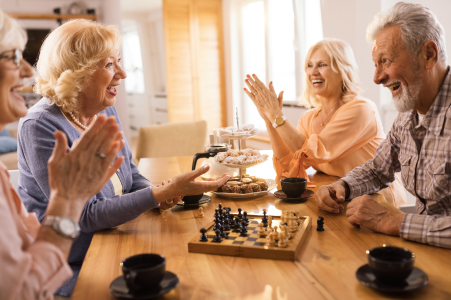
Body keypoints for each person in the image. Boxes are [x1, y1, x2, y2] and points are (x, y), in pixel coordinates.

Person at [17, 19, 229, 297]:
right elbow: (84, 216)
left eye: (119, 61)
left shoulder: (102, 109)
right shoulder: (40, 126)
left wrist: (158, 195)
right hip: (75, 258)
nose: (122, 73)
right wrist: (155, 194)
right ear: (76, 73)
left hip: (116, 234)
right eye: (108, 65)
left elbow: (131, 173)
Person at [0, 11, 126, 299]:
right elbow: (25, 289)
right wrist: (67, 200)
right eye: (12, 56)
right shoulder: (39, 124)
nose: (28, 71)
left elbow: (31, 253)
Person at [316, 2, 451, 249]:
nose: (377, 78)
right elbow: (379, 169)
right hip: (421, 253)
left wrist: (396, 221)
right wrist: (342, 185)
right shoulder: (408, 113)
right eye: (375, 64)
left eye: (386, 61)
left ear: (428, 55)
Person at [244, 38, 405, 207]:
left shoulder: (361, 109)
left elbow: (314, 152)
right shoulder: (309, 118)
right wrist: (270, 120)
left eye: (321, 65)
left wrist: (277, 115)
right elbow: (290, 167)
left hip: (377, 199)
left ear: (342, 70)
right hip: (340, 197)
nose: (313, 72)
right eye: (309, 65)